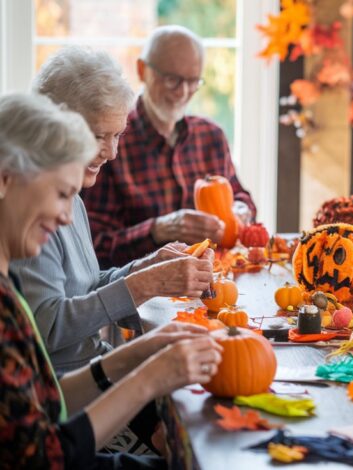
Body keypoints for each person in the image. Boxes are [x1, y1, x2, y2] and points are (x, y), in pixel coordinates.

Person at [0, 92, 223, 468]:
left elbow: (48, 404)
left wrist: (137, 353)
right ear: (6, 179)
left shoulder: (10, 287)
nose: (66, 218)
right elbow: (42, 457)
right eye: (60, 194)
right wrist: (148, 379)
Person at [10, 47, 216, 374]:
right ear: (52, 126)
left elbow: (86, 287)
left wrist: (149, 266)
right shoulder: (32, 215)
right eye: (97, 137)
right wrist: (145, 285)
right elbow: (47, 329)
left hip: (98, 368)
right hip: (71, 388)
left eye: (118, 134)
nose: (112, 152)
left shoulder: (73, 199)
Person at [81, 25, 256, 268]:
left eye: (193, 81)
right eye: (172, 79)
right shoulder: (111, 141)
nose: (183, 92)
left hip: (215, 283)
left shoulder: (211, 137)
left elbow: (242, 198)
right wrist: (157, 230)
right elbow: (92, 249)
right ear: (142, 70)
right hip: (143, 295)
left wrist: (240, 211)